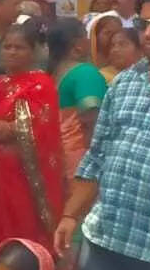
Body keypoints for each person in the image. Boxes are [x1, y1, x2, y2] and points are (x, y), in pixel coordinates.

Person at [53, 0, 150, 270]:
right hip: (109, 241)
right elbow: (98, 155)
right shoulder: (124, 83)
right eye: (143, 22)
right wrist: (71, 216)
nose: (148, 32)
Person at [0, 26, 64, 269]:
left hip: (23, 173)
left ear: (33, 52)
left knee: (21, 224)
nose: (12, 52)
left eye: (19, 47)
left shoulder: (40, 84)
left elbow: (40, 127)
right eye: (7, 46)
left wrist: (7, 128)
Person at [46, 18, 108, 184]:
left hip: (56, 158)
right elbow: (91, 118)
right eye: (86, 37)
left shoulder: (52, 75)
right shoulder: (85, 73)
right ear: (78, 45)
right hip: (80, 159)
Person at [87, 11, 124, 82]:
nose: (112, 36)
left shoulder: (125, 62)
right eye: (107, 33)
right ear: (96, 35)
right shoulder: (85, 62)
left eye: (117, 32)